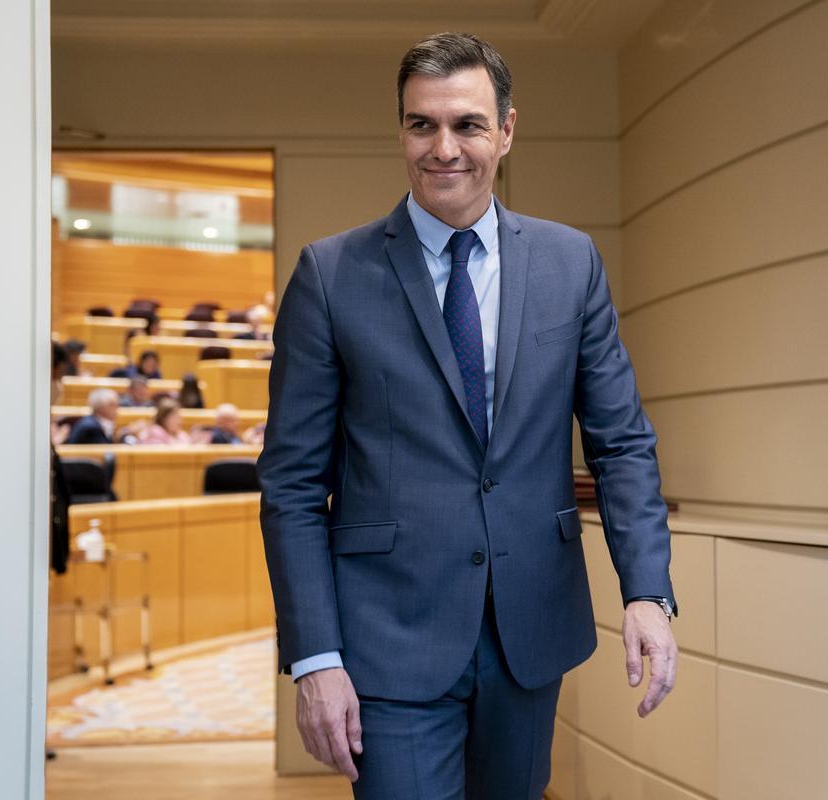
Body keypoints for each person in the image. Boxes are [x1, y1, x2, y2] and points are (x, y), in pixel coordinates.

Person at [257, 33, 678, 800]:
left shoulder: (570, 262)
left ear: (507, 131)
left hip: (531, 630)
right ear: (401, 131)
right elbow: (291, 486)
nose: (443, 148)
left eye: (467, 125)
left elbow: (621, 443)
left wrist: (646, 590)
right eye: (422, 125)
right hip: (387, 638)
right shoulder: (330, 275)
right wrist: (316, 657)